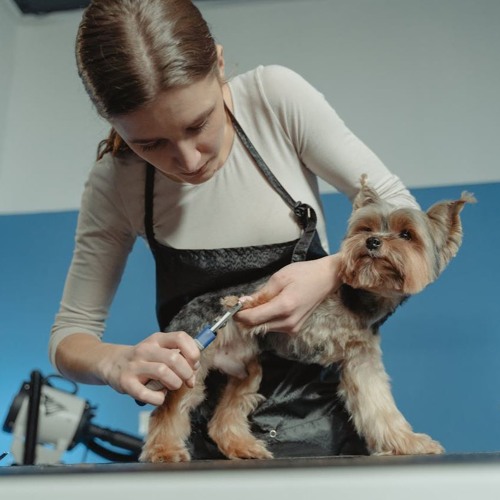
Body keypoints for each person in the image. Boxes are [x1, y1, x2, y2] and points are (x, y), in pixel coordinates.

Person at [50, 0, 419, 459]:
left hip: (328, 439)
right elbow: (71, 334)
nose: (187, 160)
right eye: (151, 143)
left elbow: (402, 211)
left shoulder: (275, 101)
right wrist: (114, 361)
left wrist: (330, 271)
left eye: (198, 124)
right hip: (201, 452)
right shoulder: (116, 180)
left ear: (219, 64)